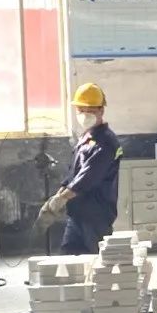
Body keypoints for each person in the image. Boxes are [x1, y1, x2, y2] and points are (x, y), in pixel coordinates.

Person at [39, 83, 122, 255]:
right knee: (68, 259)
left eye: (90, 110)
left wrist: (62, 198)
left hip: (96, 216)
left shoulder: (106, 142)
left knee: (97, 262)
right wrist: (56, 198)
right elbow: (73, 173)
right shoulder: (85, 138)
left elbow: (87, 177)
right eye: (81, 110)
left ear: (101, 110)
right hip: (77, 214)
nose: (85, 115)